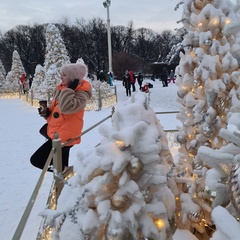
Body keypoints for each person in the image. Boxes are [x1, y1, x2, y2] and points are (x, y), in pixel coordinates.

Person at [30, 62, 92, 172]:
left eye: (64, 75)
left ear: (73, 78)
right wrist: (47, 113)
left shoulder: (81, 94)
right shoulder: (63, 90)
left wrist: (69, 90)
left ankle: (66, 175)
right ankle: (64, 183)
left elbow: (65, 108)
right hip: (58, 134)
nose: (61, 77)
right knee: (62, 168)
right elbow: (58, 113)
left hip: (65, 137)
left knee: (36, 160)